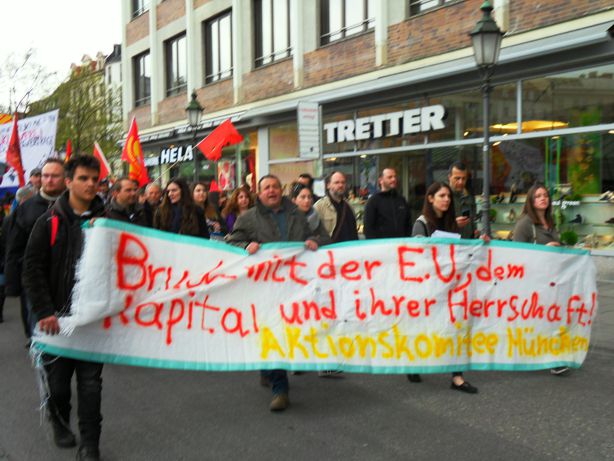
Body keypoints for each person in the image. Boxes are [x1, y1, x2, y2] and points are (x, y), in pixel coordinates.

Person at [22, 155, 106, 460]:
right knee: (57, 386)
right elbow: (31, 269)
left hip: (91, 322)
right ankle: (59, 422)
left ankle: (90, 445)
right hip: (55, 321)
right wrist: (44, 311)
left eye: (94, 179)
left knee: (90, 386)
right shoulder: (49, 222)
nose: (90, 185)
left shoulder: (108, 222)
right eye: (83, 178)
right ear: (68, 182)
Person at [226, 175, 323, 412]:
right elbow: (230, 242)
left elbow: (323, 236)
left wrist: (313, 239)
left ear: (282, 190)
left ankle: (266, 368)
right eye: (266, 188)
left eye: (275, 187)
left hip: (294, 287)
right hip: (264, 288)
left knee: (285, 332)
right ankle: (280, 389)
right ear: (258, 194)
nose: (271, 191)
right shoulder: (248, 218)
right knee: (273, 331)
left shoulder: (298, 215)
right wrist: (245, 247)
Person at [408, 182, 478, 394]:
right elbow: (416, 255)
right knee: (424, 327)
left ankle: (457, 376)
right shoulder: (421, 224)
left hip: (450, 284)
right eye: (441, 195)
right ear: (430, 198)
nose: (446, 199)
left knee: (454, 327)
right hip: (428, 285)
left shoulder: (451, 223)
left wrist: (480, 242)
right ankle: (414, 363)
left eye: (448, 196)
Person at [5, 159, 66, 344]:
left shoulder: (75, 206)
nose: (49, 180)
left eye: (55, 176)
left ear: (66, 179)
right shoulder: (26, 209)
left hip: (66, 282)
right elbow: (14, 248)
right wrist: (12, 283)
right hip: (34, 282)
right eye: (45, 175)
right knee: (40, 338)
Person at [512, 183, 569, 376]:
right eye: (538, 196)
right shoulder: (525, 224)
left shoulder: (550, 221)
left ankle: (546, 354)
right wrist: (545, 250)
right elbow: (516, 254)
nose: (543, 198)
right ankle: (551, 357)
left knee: (552, 317)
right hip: (533, 280)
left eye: (545, 195)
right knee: (544, 319)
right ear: (531, 200)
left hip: (553, 277)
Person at [363, 168, 411, 238]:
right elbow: (368, 228)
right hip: (382, 246)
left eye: (395, 176)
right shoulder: (373, 201)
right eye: (390, 177)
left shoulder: (401, 200)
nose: (393, 179)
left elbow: (408, 224)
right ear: (381, 180)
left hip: (400, 245)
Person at [314, 171, 358, 243]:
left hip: (350, 250)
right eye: (336, 182)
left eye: (343, 182)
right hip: (331, 251)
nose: (340, 185)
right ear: (328, 185)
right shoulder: (319, 207)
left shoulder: (349, 206)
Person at [447, 161, 477, 239]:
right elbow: (435, 225)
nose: (461, 182)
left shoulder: (469, 196)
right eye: (457, 178)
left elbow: (473, 218)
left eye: (464, 178)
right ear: (449, 177)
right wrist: (454, 224)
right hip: (451, 245)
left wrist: (475, 230)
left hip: (469, 242)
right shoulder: (443, 197)